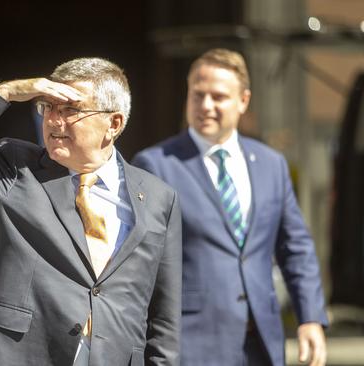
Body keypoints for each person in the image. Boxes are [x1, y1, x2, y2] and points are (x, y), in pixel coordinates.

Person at [0, 57, 181, 366]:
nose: (54, 121)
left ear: (114, 124)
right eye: (48, 107)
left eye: (70, 109)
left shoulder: (158, 197)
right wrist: (8, 92)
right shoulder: (15, 170)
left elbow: (164, 318)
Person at [132, 48, 328, 366]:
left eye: (218, 97)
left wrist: (310, 318)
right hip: (193, 343)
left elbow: (296, 247)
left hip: (262, 343)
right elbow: (140, 262)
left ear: (243, 101)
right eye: (198, 95)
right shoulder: (155, 165)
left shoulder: (271, 164)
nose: (206, 106)